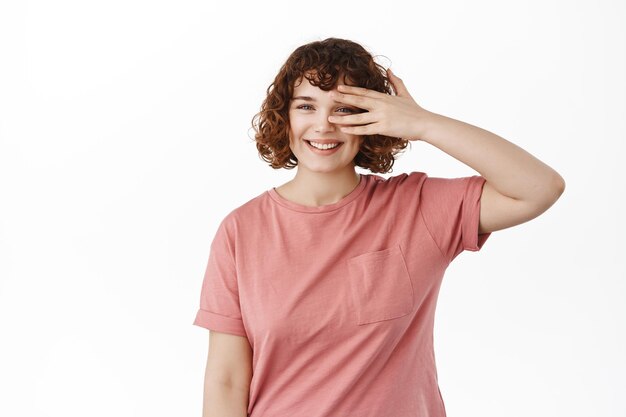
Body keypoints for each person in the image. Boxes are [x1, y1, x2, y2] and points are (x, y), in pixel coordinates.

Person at [192, 37, 565, 417]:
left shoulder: (416, 208)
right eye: (306, 106)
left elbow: (538, 188)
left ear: (373, 117)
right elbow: (227, 378)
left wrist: (424, 123)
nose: (324, 125)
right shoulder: (241, 230)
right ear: (284, 115)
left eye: (344, 109)